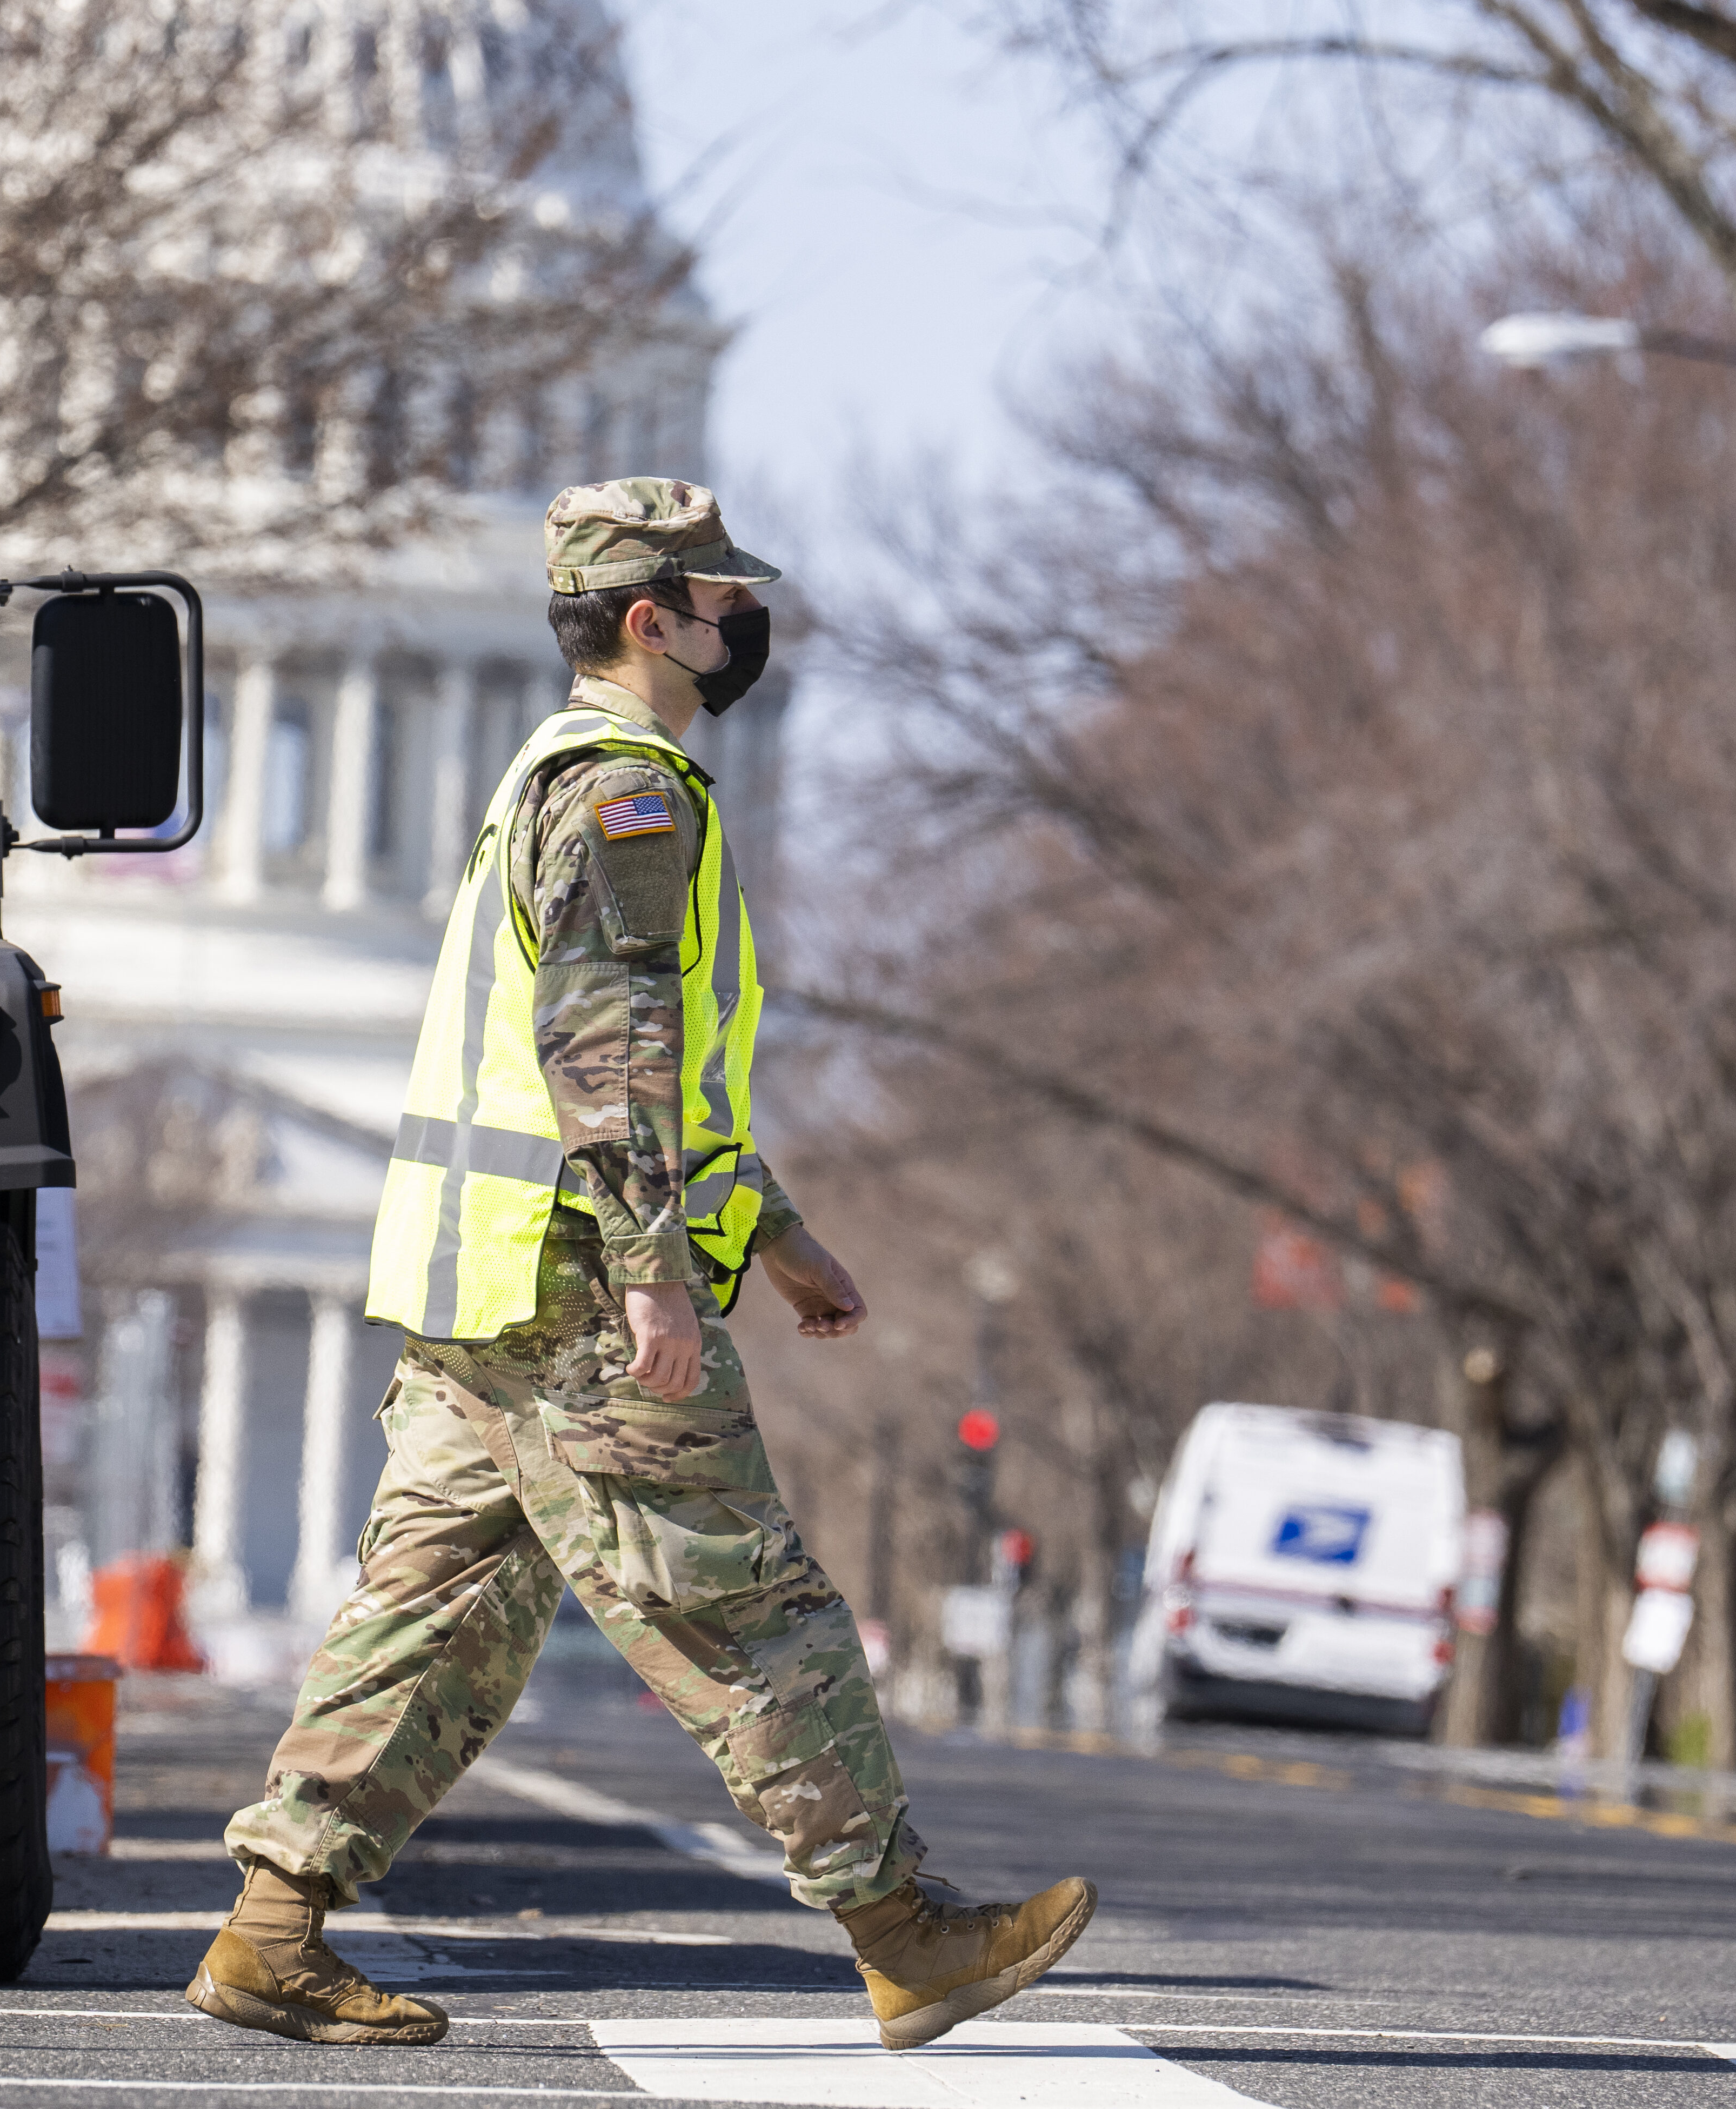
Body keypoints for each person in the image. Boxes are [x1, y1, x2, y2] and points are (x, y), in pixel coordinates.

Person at [184, 477, 1096, 2054]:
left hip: (479, 1287)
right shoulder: (631, 794)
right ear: (647, 620)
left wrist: (784, 1243)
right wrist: (658, 1273)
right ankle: (905, 1932)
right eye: (722, 600)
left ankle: (275, 1932)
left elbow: (654, 1077)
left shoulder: (556, 777)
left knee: (436, 1617)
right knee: (746, 1606)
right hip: (574, 1285)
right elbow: (608, 1052)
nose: (747, 624)